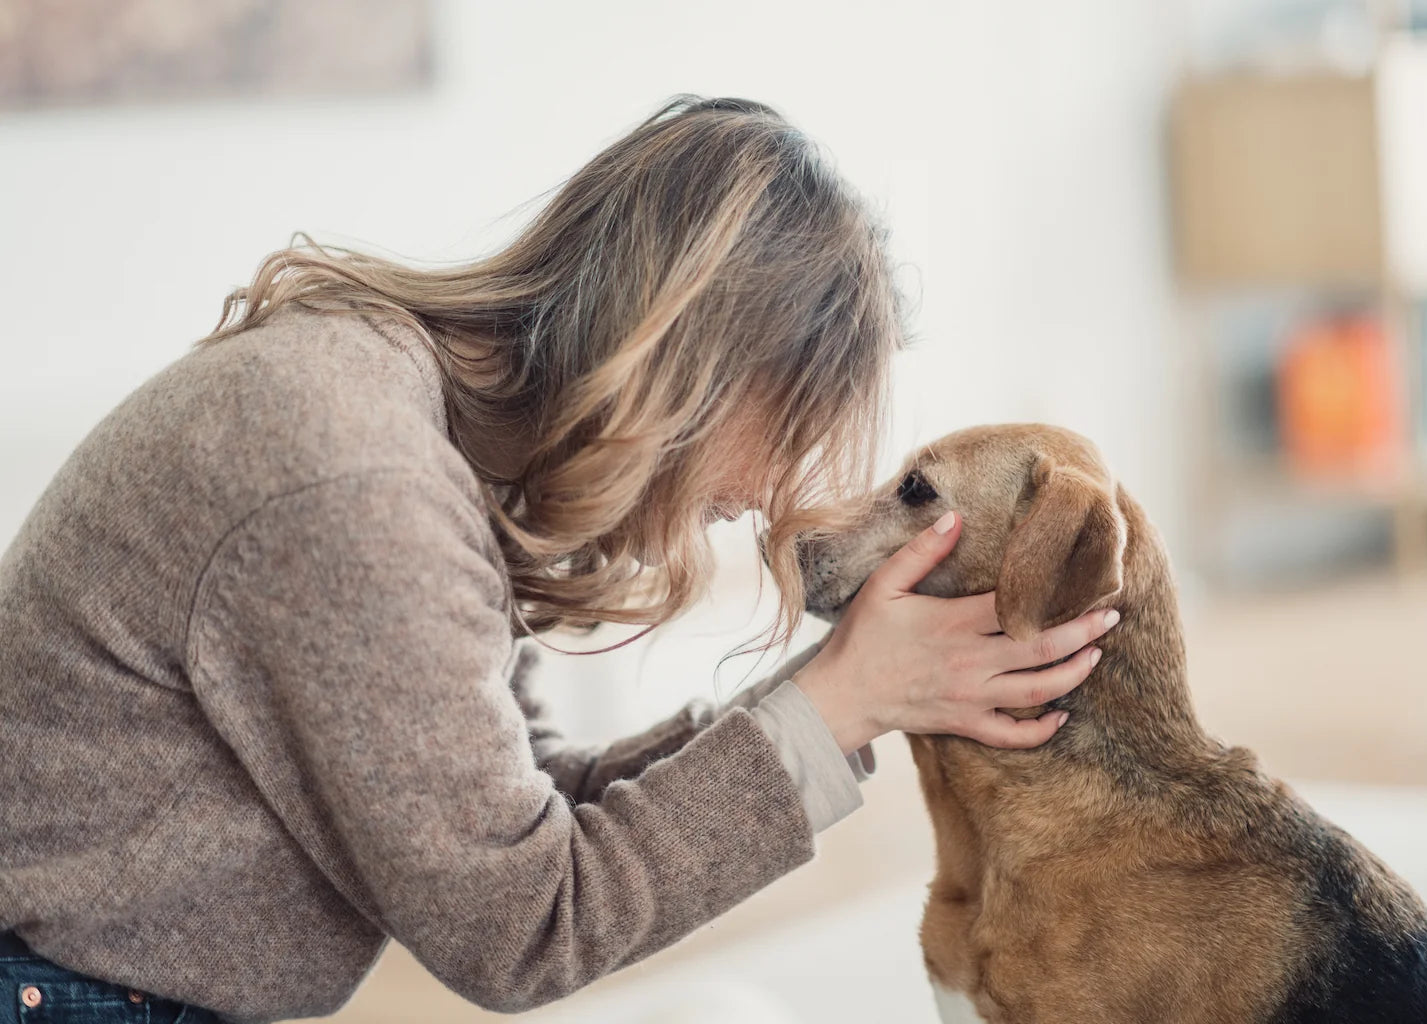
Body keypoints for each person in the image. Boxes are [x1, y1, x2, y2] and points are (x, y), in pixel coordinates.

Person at [0, 95, 1115, 1023]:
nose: (770, 496)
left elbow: (521, 811)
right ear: (700, 356)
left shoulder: (409, 424)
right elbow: (523, 921)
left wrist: (847, 696)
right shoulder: (358, 487)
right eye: (789, 426)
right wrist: (836, 707)